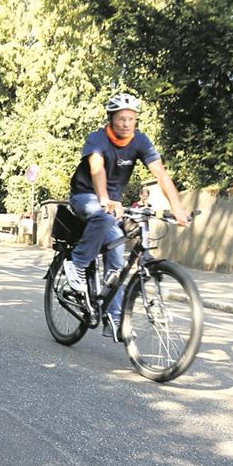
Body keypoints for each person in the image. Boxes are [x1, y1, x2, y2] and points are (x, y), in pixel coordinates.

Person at [64, 93, 189, 340]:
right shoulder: (97, 139)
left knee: (117, 257)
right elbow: (97, 169)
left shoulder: (140, 141)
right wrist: (104, 200)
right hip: (86, 197)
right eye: (121, 118)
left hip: (113, 204)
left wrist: (177, 208)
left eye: (131, 119)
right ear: (111, 119)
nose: (126, 123)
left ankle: (114, 316)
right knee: (105, 217)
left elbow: (161, 175)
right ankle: (76, 264)